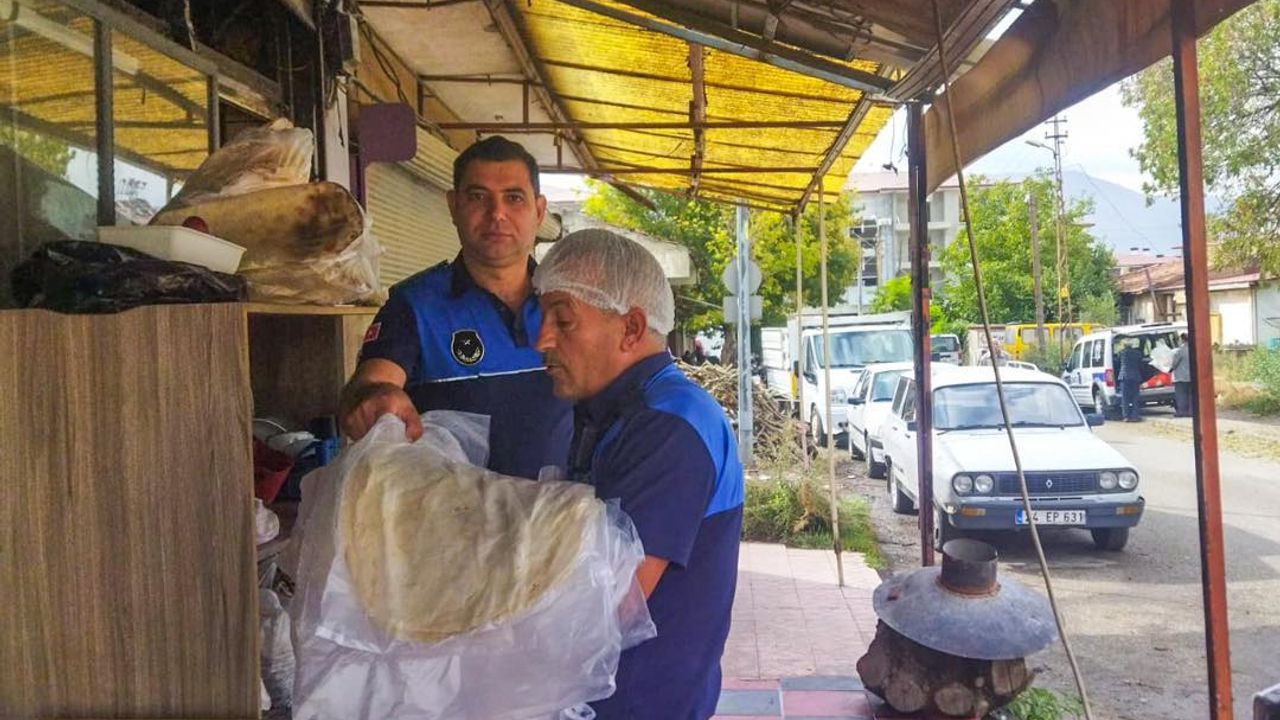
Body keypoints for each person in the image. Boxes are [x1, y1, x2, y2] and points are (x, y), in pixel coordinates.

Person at [532, 229, 744, 720]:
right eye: (540, 318)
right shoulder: (618, 410)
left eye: (563, 320)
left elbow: (611, 604)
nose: (542, 339)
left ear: (630, 329)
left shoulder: (667, 426)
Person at [339, 136, 572, 479]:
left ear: (538, 211)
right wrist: (376, 398)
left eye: (514, 198)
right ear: (453, 206)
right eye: (478, 197)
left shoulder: (571, 304)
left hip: (560, 519)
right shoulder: (415, 305)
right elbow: (365, 391)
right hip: (449, 521)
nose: (497, 214)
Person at [1118, 337, 1145, 422]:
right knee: (1135, 397)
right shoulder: (1137, 353)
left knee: (1125, 398)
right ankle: (1135, 416)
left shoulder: (1121, 353)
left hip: (1124, 377)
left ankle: (1126, 416)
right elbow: (1140, 364)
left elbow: (1118, 361)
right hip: (1135, 377)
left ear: (1124, 345)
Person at [1171, 332, 1192, 417]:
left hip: (1181, 377)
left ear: (1182, 339)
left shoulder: (1180, 350)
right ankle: (1191, 411)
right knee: (1191, 395)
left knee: (1181, 395)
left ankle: (1182, 411)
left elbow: (1174, 363)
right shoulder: (1193, 348)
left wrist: (1170, 368)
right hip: (1191, 376)